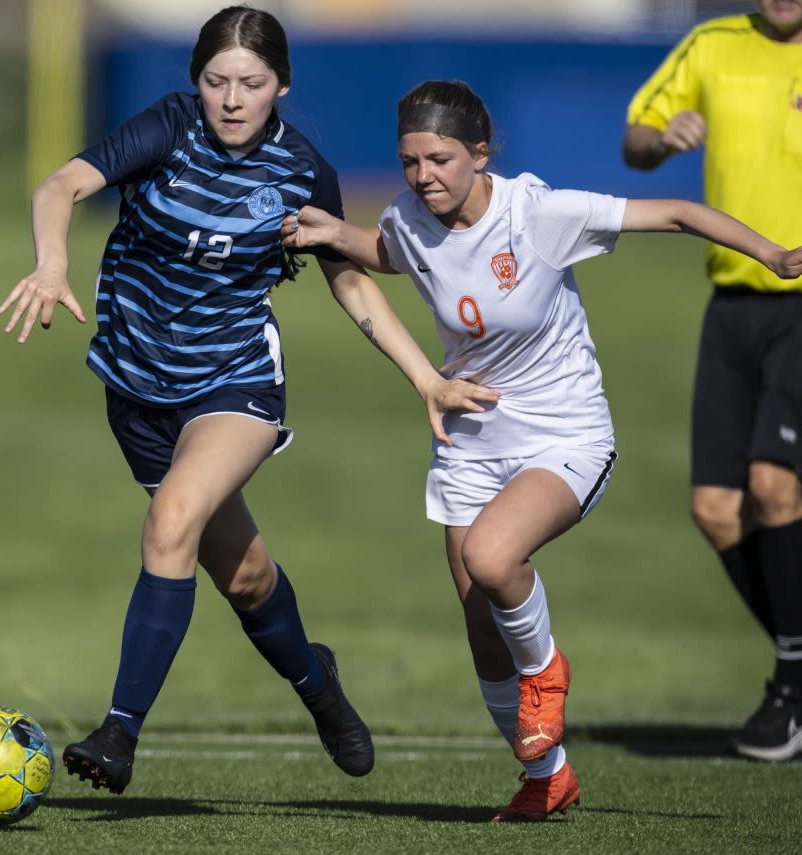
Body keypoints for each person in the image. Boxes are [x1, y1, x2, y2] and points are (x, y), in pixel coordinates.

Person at [0, 6, 485, 795]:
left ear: (280, 85)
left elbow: (350, 280)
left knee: (172, 521)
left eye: (250, 84)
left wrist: (424, 376)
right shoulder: (166, 130)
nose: (231, 99)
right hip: (136, 389)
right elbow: (63, 184)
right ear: (196, 83)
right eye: (216, 81)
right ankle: (316, 680)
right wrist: (51, 264)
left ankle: (119, 730)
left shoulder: (300, 171)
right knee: (247, 576)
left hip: (233, 383)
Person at [282, 79, 802, 820]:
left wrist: (772, 254)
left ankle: (547, 672)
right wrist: (339, 236)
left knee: (493, 559)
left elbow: (680, 211)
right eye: (409, 161)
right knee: (481, 635)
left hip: (564, 432)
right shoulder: (409, 216)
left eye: (440, 158)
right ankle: (546, 777)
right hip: (467, 437)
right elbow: (394, 254)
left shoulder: (540, 214)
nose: (423, 175)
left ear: (480, 153)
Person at [622, 1, 802, 762]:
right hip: (731, 304)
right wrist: (662, 140)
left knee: (772, 484)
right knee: (716, 508)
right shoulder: (711, 45)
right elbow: (634, 141)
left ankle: (791, 690)